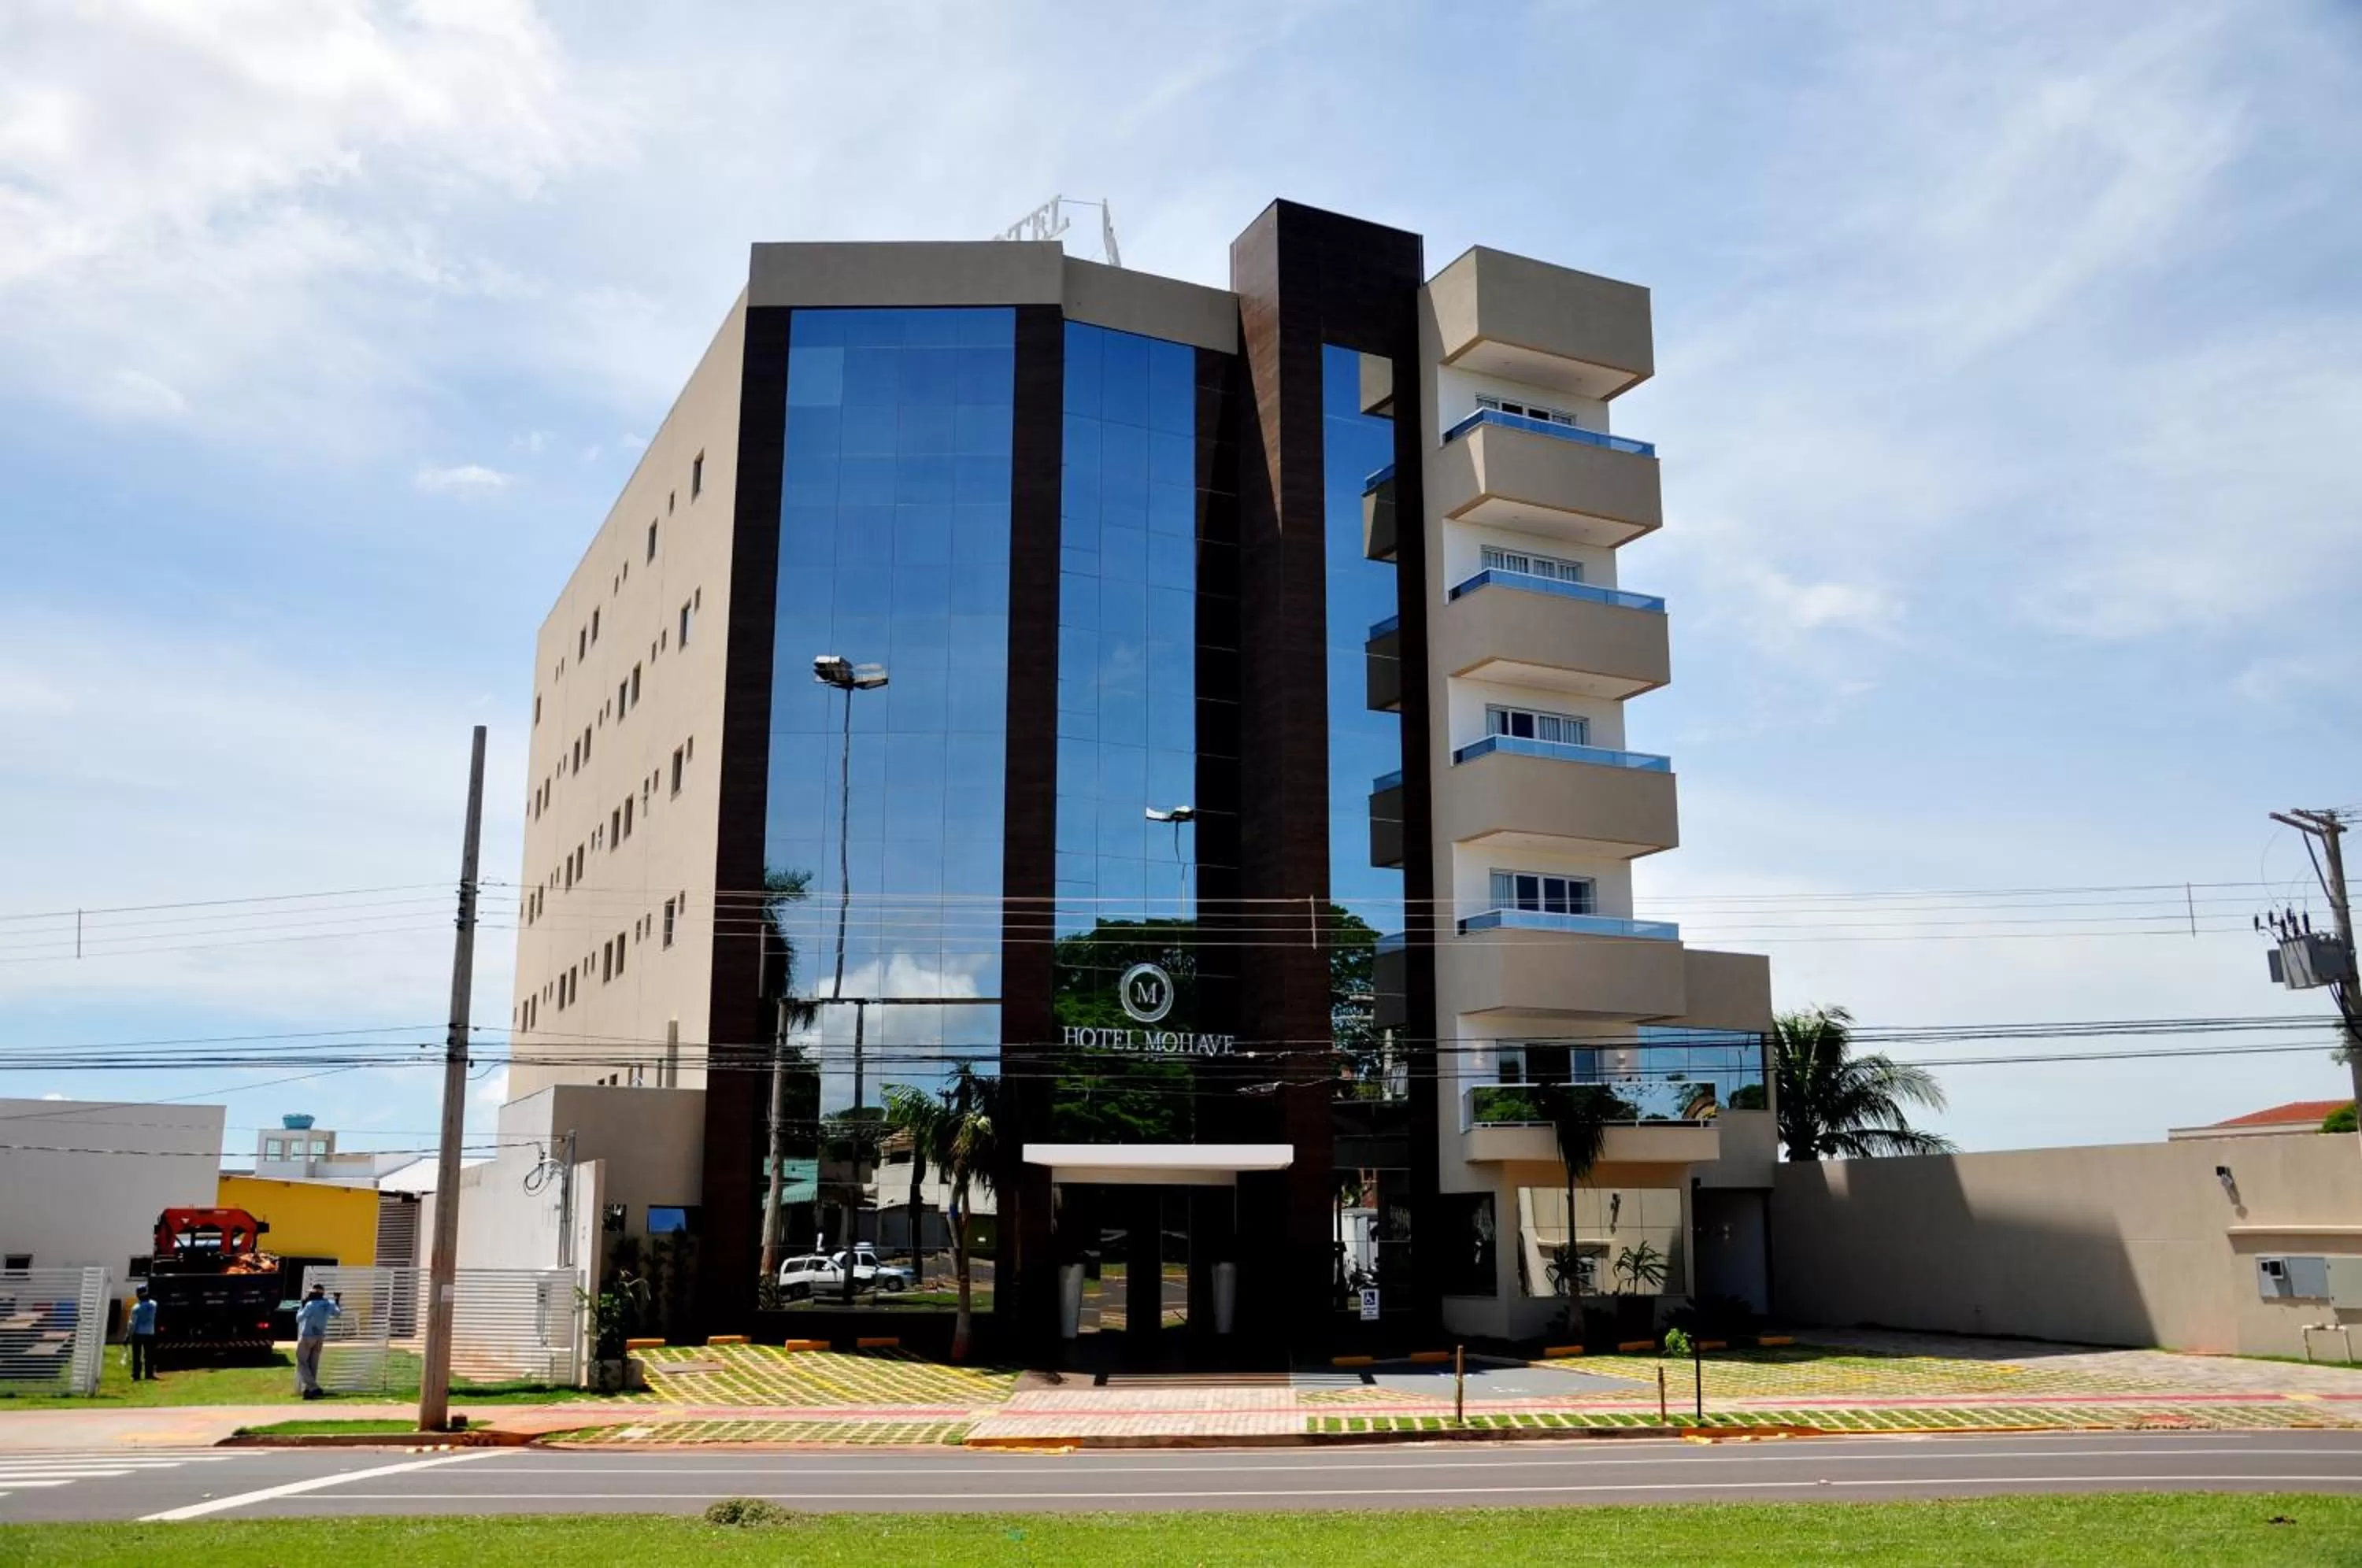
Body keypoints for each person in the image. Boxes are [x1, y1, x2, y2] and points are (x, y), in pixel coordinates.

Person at [293, 1283, 342, 1400]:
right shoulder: (329, 1303)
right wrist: (337, 1300)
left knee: (302, 1362)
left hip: (307, 1336)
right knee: (313, 1365)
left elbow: (299, 1319)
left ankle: (314, 1387)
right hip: (320, 1336)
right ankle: (310, 1390)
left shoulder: (310, 1305)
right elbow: (338, 1313)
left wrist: (302, 1306)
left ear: (314, 1294)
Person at [126, 1285, 157, 1381]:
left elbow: (132, 1323)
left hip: (138, 1333)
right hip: (150, 1332)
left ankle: (136, 1375)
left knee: (137, 1355)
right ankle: (149, 1374)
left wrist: (128, 1335)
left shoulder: (136, 1308)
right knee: (149, 1355)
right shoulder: (154, 1305)